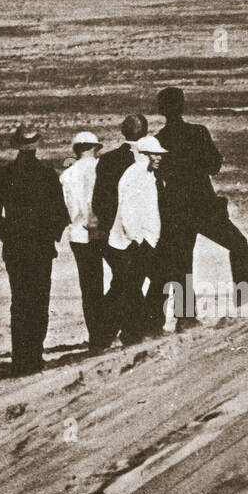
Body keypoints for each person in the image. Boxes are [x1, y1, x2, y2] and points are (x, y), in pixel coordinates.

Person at [155, 87, 248, 325]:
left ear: (161, 110)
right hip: (203, 203)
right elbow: (213, 165)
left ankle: (186, 316)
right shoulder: (198, 132)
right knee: (238, 243)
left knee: (181, 262)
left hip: (176, 207)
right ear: (183, 106)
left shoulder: (159, 139)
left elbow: (158, 177)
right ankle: (246, 302)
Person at [0, 124, 71, 375]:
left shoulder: (3, 174)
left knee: (19, 301)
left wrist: (8, 235)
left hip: (16, 249)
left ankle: (21, 359)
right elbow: (61, 214)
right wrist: (50, 236)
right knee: (39, 301)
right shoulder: (47, 174)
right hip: (41, 248)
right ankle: (34, 355)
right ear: (36, 145)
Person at [91, 115, 148, 345]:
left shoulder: (108, 160)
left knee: (125, 279)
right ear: (145, 132)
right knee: (129, 280)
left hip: (114, 232)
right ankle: (117, 331)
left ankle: (115, 332)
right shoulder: (150, 159)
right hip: (141, 231)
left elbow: (99, 200)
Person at [108, 135, 168, 340]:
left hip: (142, 240)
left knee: (131, 285)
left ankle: (132, 329)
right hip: (133, 241)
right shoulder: (136, 174)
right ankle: (138, 329)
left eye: (160, 154)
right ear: (143, 155)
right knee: (137, 284)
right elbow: (128, 209)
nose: (159, 158)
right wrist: (137, 239)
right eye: (155, 154)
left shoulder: (148, 174)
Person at [60, 130, 109, 349]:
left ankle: (97, 337)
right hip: (105, 232)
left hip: (79, 235)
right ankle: (113, 324)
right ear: (94, 148)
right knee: (125, 277)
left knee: (90, 288)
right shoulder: (102, 170)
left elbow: (67, 209)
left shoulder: (67, 175)